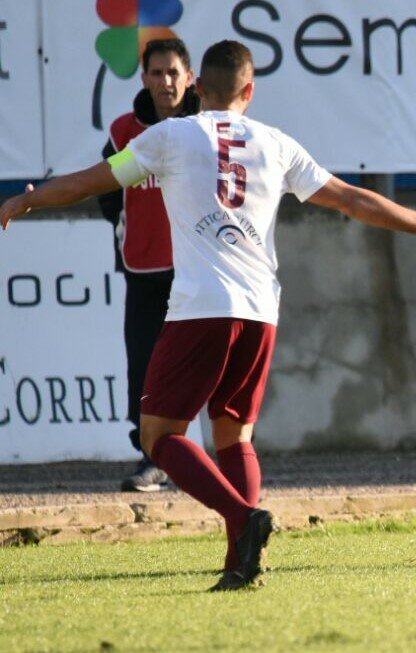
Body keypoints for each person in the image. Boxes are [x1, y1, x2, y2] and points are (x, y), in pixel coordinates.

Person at [0, 40, 416, 591]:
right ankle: (240, 565)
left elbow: (91, 181)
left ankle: (242, 518)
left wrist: (27, 200)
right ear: (250, 92)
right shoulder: (276, 144)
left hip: (200, 309)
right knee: (235, 438)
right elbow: (352, 198)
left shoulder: (169, 136)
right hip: (260, 311)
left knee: (160, 436)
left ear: (197, 90)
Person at [97, 38, 200, 493]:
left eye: (174, 72)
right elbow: (106, 191)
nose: (166, 81)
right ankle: (151, 458)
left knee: (210, 368)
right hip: (142, 270)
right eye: (157, 73)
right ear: (143, 79)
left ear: (191, 77)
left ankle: (230, 459)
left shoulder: (208, 127)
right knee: (144, 366)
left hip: (200, 272)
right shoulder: (124, 132)